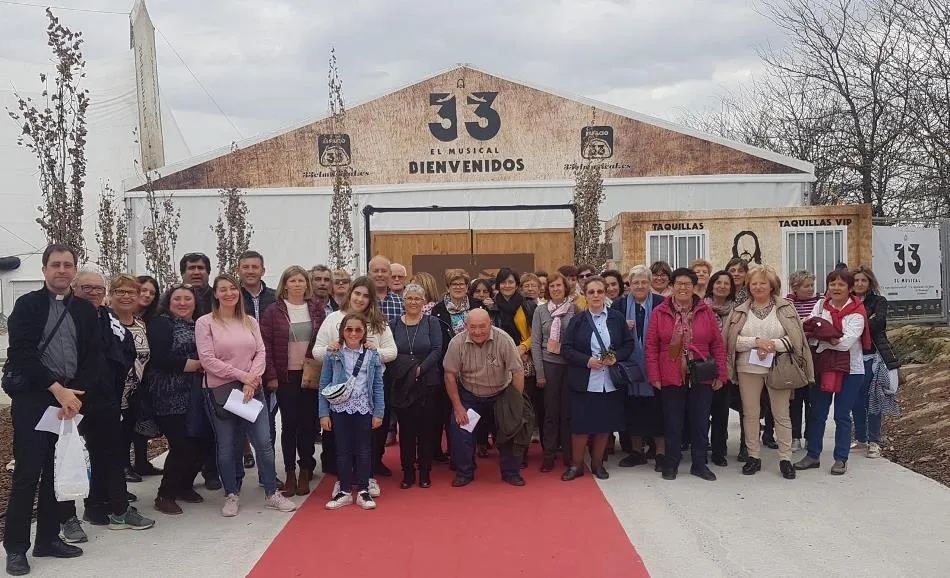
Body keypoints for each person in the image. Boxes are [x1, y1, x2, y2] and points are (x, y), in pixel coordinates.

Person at [2, 245, 100, 575]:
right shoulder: (28, 305)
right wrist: (57, 390)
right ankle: (16, 548)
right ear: (44, 269)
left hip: (70, 400)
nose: (62, 270)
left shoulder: (84, 310)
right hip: (35, 398)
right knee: (28, 473)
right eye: (55, 264)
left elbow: (92, 355)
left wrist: (76, 395)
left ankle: (47, 539)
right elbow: (22, 354)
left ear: (74, 270)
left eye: (68, 265)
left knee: (57, 472)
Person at [56, 271, 155, 544]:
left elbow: (124, 351)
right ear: (75, 288)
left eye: (98, 288)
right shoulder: (64, 315)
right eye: (86, 287)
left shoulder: (107, 317)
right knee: (66, 458)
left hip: (106, 397)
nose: (93, 292)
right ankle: (66, 518)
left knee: (109, 455)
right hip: (71, 397)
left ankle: (114, 509)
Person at [195, 274, 297, 516]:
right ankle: (232, 493)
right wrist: (244, 377)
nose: (229, 293)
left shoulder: (250, 321)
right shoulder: (205, 323)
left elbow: (261, 352)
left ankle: (272, 492)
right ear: (216, 294)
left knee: (263, 442)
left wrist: (253, 379)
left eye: (232, 288)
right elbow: (207, 360)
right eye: (223, 289)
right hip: (222, 392)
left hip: (251, 390)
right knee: (227, 446)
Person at [725, 267, 814, 479]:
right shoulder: (740, 310)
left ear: (772, 286)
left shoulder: (785, 308)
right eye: (754, 283)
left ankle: (785, 459)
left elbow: (795, 339)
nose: (758, 287)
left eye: (762, 283)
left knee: (781, 413)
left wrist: (772, 345)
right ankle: (753, 456)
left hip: (779, 367)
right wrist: (756, 342)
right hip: (747, 367)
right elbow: (730, 340)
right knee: (751, 413)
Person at [646, 268, 727, 481]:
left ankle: (699, 463)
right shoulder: (660, 312)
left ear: (694, 287)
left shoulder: (705, 311)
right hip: (670, 372)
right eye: (679, 284)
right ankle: (671, 462)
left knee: (700, 420)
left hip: (701, 371)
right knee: (673, 421)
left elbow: (717, 344)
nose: (683, 288)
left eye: (687, 284)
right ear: (672, 286)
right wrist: (654, 375)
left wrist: (721, 374)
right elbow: (652, 346)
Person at [313, 277, 396, 482]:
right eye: (357, 293)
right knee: (340, 440)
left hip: (369, 388)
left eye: (366, 296)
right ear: (350, 294)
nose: (360, 299)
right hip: (340, 391)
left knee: (370, 437)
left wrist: (373, 352)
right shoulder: (333, 319)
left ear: (371, 299)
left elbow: (392, 351)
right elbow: (317, 351)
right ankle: (342, 479)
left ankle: (368, 476)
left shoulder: (378, 321)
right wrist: (332, 349)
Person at [795, 269, 870, 476]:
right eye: (832, 284)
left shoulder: (857, 312)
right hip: (824, 367)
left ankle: (841, 458)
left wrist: (823, 339)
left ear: (850, 288)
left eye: (841, 284)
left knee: (842, 415)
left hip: (851, 370)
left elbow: (845, 344)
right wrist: (829, 338)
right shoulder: (820, 306)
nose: (836, 288)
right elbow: (808, 331)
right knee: (817, 413)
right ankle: (813, 455)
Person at [560, 277, 635, 481]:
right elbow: (566, 349)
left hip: (609, 382)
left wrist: (615, 357)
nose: (595, 295)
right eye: (591, 292)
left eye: (599, 291)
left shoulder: (617, 318)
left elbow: (628, 345)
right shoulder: (577, 320)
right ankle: (576, 465)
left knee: (603, 426)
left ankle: (597, 464)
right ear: (585, 295)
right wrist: (587, 361)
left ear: (605, 294)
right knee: (580, 427)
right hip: (584, 381)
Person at [261, 266, 327, 497]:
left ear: (306, 285)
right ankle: (290, 472)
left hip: (310, 374)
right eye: (293, 281)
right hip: (285, 376)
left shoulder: (316, 309)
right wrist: (271, 375)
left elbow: (322, 340)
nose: (297, 284)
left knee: (308, 424)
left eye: (301, 281)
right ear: (285, 284)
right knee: (289, 425)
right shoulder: (273, 311)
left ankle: (305, 469)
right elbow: (266, 346)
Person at [146, 284, 210, 515]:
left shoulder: (201, 324)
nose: (182, 303)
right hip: (169, 392)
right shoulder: (162, 323)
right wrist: (192, 365)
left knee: (201, 442)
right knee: (182, 445)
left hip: (197, 393)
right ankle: (165, 494)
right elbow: (158, 357)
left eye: (187, 299)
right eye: (177, 299)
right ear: (169, 302)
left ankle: (184, 485)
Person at [443, 309, 526, 487]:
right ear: (466, 326)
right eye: (473, 327)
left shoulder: (504, 339)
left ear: (490, 324)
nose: (478, 331)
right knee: (460, 430)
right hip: (470, 396)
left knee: (510, 428)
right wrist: (458, 407)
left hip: (501, 394)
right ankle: (465, 472)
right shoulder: (456, 343)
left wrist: (514, 403)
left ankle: (511, 472)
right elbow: (449, 375)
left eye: (482, 326)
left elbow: (518, 372)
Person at [320, 314, 386, 510]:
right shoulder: (333, 353)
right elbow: (324, 383)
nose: (353, 334)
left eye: (358, 330)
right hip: (340, 408)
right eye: (349, 329)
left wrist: (379, 412)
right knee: (342, 449)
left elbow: (378, 385)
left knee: (364, 450)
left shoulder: (372, 355)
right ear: (342, 331)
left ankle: (364, 490)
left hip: (364, 407)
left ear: (364, 332)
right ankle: (345, 490)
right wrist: (323, 413)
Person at [612, 265, 667, 471]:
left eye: (644, 282)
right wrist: (621, 327)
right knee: (633, 409)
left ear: (650, 283)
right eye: (636, 282)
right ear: (629, 284)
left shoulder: (662, 303)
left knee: (658, 409)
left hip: (657, 366)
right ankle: (637, 452)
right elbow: (609, 333)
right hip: (630, 367)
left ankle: (660, 453)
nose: (640, 286)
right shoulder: (619, 305)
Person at [390, 284, 443, 488]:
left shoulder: (432, 322)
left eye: (417, 299)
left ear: (424, 302)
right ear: (403, 301)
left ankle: (425, 472)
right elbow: (391, 351)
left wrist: (421, 369)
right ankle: (408, 472)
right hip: (403, 383)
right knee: (406, 430)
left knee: (426, 429)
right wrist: (409, 371)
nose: (413, 302)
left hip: (427, 381)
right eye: (409, 298)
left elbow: (437, 349)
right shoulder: (394, 324)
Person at [431, 269, 484, 462]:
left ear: (467, 286)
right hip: (448, 366)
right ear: (448, 287)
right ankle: (452, 453)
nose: (458, 287)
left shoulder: (478, 306)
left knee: (471, 412)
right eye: (454, 284)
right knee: (449, 411)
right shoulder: (437, 310)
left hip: (474, 366)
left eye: (462, 283)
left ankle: (466, 454)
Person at [178, 252, 221, 491]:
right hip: (183, 375)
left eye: (200, 268)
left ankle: (211, 471)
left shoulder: (218, 296)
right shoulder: (176, 298)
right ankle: (186, 473)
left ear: (208, 271)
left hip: (216, 369)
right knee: (187, 428)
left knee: (213, 424)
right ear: (183, 272)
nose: (196, 272)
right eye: (191, 268)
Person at [488, 268, 539, 465]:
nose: (507, 286)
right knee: (502, 408)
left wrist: (523, 348)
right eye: (503, 282)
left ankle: (521, 451)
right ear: (498, 285)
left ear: (517, 284)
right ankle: (505, 450)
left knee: (522, 407)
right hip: (499, 362)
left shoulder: (528, 305)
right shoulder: (491, 307)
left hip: (524, 360)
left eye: (511, 282)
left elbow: (536, 333)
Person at [851, 266, 901, 458]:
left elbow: (878, 323)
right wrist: (865, 320)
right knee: (855, 400)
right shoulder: (848, 301)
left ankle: (874, 441)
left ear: (870, 282)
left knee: (873, 399)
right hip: (851, 357)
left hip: (873, 357)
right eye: (856, 280)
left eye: (863, 280)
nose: (859, 284)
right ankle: (860, 438)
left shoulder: (879, 301)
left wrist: (854, 324)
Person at [530, 272, 578, 472]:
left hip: (569, 365)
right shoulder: (540, 311)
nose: (556, 289)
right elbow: (535, 343)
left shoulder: (575, 309)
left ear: (565, 287)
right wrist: (540, 373)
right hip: (549, 365)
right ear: (547, 289)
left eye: (559, 285)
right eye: (552, 286)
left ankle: (569, 455)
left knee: (567, 413)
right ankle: (548, 455)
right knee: (550, 413)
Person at [237, 250, 277, 473]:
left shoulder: (275, 297)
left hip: (269, 366)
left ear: (263, 270)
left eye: (255, 267)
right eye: (246, 267)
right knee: (239, 418)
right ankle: (241, 462)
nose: (250, 271)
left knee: (267, 423)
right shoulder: (232, 296)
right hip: (239, 368)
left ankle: (267, 473)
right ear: (239, 270)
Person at [704, 270, 736, 467]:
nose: (722, 286)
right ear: (712, 285)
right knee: (701, 412)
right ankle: (700, 446)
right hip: (703, 365)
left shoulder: (737, 310)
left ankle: (719, 450)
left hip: (727, 366)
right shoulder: (700, 306)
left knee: (721, 412)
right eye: (718, 282)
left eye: (726, 283)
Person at [787, 270, 820, 451]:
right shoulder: (788, 303)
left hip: (814, 357)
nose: (810, 289)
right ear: (795, 288)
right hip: (795, 358)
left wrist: (804, 326)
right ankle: (795, 437)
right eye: (806, 286)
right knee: (795, 400)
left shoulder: (820, 302)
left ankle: (810, 436)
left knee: (812, 400)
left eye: (811, 285)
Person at [370, 255, 405, 322]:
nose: (380, 274)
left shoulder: (401, 301)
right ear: (369, 274)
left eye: (384, 271)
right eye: (376, 271)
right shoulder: (363, 300)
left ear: (390, 274)